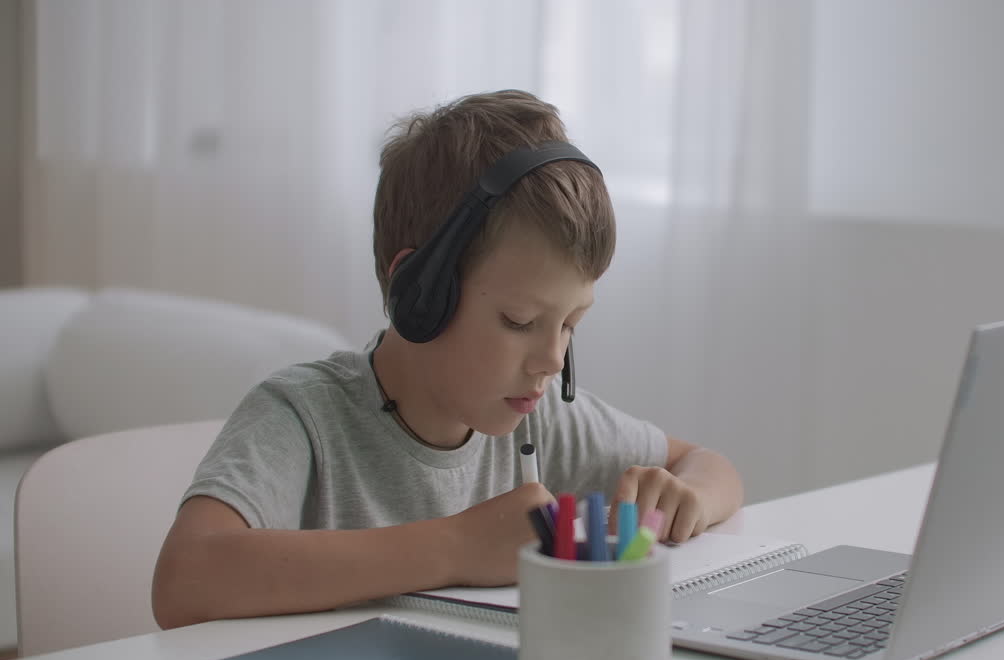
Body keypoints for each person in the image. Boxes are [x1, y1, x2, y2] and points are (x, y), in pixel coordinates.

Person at [151, 90, 744, 629]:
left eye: (570, 324)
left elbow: (708, 464)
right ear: (419, 293)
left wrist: (685, 495)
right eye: (519, 322)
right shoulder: (303, 417)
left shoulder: (537, 416)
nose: (550, 359)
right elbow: (185, 580)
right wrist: (457, 546)